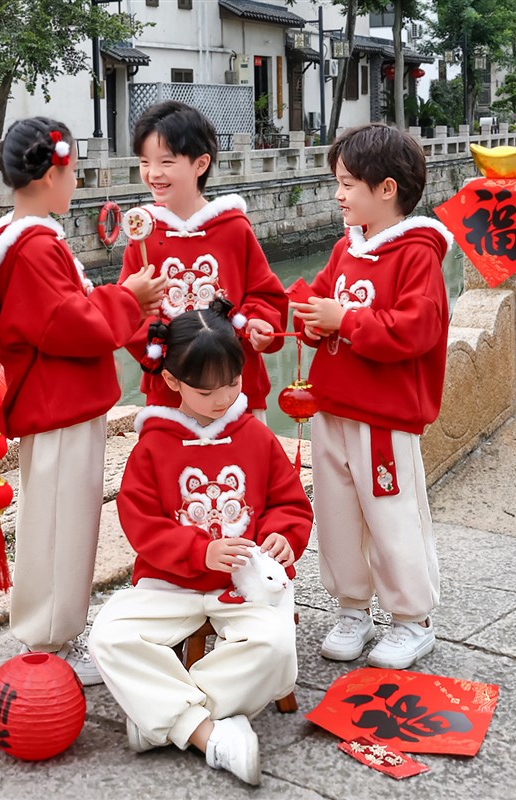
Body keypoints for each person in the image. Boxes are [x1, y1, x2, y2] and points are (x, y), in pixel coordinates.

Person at [0, 117, 165, 685]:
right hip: (60, 400)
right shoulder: (35, 246)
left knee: (59, 514)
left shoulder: (19, 238)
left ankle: (55, 627)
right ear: (52, 173)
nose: (76, 180)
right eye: (73, 170)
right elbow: (65, 325)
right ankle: (51, 636)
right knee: (61, 518)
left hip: (58, 401)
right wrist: (126, 296)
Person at [89, 299, 312, 786]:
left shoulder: (255, 435)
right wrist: (199, 551)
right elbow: (140, 521)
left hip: (245, 584)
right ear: (172, 382)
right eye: (205, 389)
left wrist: (280, 536)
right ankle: (209, 732)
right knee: (106, 635)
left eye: (232, 384)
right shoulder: (153, 443)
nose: (222, 398)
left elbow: (290, 503)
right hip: (168, 581)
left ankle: (160, 719)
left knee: (277, 648)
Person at [289, 123, 453, 670]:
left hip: (383, 415)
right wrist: (308, 319)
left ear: (386, 189)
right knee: (336, 513)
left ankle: (411, 619)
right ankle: (353, 609)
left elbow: (417, 329)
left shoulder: (417, 254)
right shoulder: (345, 249)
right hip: (332, 405)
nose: (338, 195)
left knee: (392, 516)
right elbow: (318, 304)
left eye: (347, 184)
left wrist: (346, 319)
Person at [118, 100, 288, 421]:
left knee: (242, 467)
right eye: (144, 162)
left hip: (235, 385)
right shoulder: (143, 235)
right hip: (171, 387)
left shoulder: (233, 228)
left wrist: (258, 325)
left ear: (201, 164)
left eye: (166, 162)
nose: (153, 173)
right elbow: (130, 309)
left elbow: (266, 294)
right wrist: (164, 349)